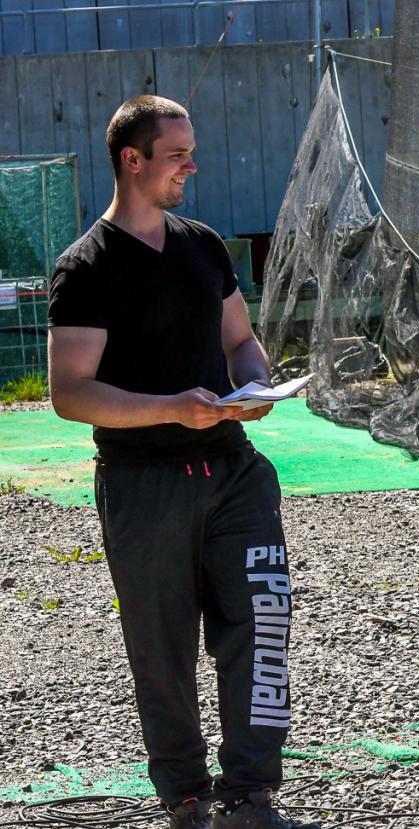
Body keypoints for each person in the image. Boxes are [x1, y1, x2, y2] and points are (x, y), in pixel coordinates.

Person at [47, 95, 317, 829]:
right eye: (176, 155)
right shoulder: (86, 267)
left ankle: (251, 794)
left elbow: (240, 340)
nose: (191, 166)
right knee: (161, 651)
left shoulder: (203, 245)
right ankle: (187, 798)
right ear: (131, 160)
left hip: (233, 472)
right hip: (144, 484)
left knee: (261, 621)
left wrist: (254, 385)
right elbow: (70, 393)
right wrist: (170, 407)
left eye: (191, 152)